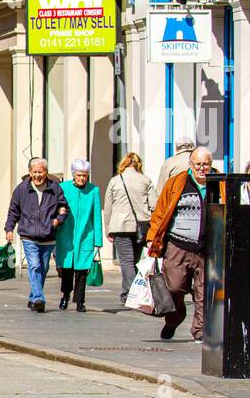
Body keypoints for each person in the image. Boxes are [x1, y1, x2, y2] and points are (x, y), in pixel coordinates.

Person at [147, 145, 214, 342]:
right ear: (191, 164)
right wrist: (152, 238)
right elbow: (160, 212)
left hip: (208, 248)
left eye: (206, 164)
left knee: (204, 293)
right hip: (178, 246)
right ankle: (174, 319)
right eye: (198, 164)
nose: (202, 168)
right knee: (175, 287)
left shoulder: (219, 183)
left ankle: (200, 331)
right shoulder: (177, 183)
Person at [3, 158, 68, 313]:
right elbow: (13, 211)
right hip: (29, 235)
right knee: (34, 266)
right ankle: (39, 298)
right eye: (35, 172)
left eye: (41, 172)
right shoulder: (21, 189)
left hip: (48, 236)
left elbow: (64, 207)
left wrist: (58, 221)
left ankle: (33, 298)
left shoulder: (55, 188)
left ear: (46, 172)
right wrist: (9, 229)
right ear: (30, 172)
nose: (38, 175)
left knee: (43, 269)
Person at [103, 152, 155, 303]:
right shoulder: (145, 180)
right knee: (135, 260)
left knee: (126, 261)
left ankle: (131, 293)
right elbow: (154, 204)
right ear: (138, 164)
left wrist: (108, 228)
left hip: (120, 226)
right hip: (141, 225)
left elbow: (108, 206)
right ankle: (132, 291)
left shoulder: (115, 181)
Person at [55, 159, 102, 313]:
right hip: (66, 234)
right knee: (67, 268)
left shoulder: (94, 190)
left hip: (85, 235)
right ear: (73, 174)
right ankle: (65, 295)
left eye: (85, 175)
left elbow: (96, 217)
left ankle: (80, 301)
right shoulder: (63, 188)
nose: (82, 178)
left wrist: (98, 241)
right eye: (79, 175)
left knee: (82, 270)